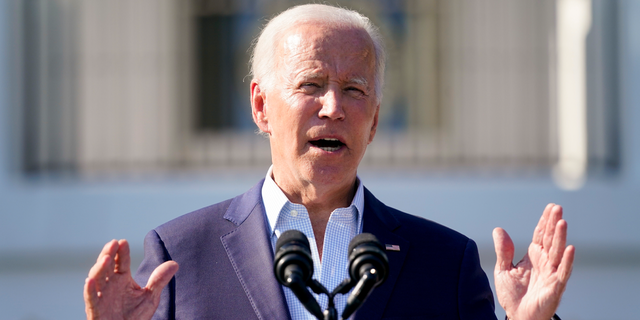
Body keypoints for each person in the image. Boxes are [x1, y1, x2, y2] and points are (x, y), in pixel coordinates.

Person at [83, 4, 574, 320]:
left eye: (354, 90)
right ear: (260, 107)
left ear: (375, 120)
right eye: (311, 85)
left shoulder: (445, 262)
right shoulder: (182, 255)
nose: (333, 107)